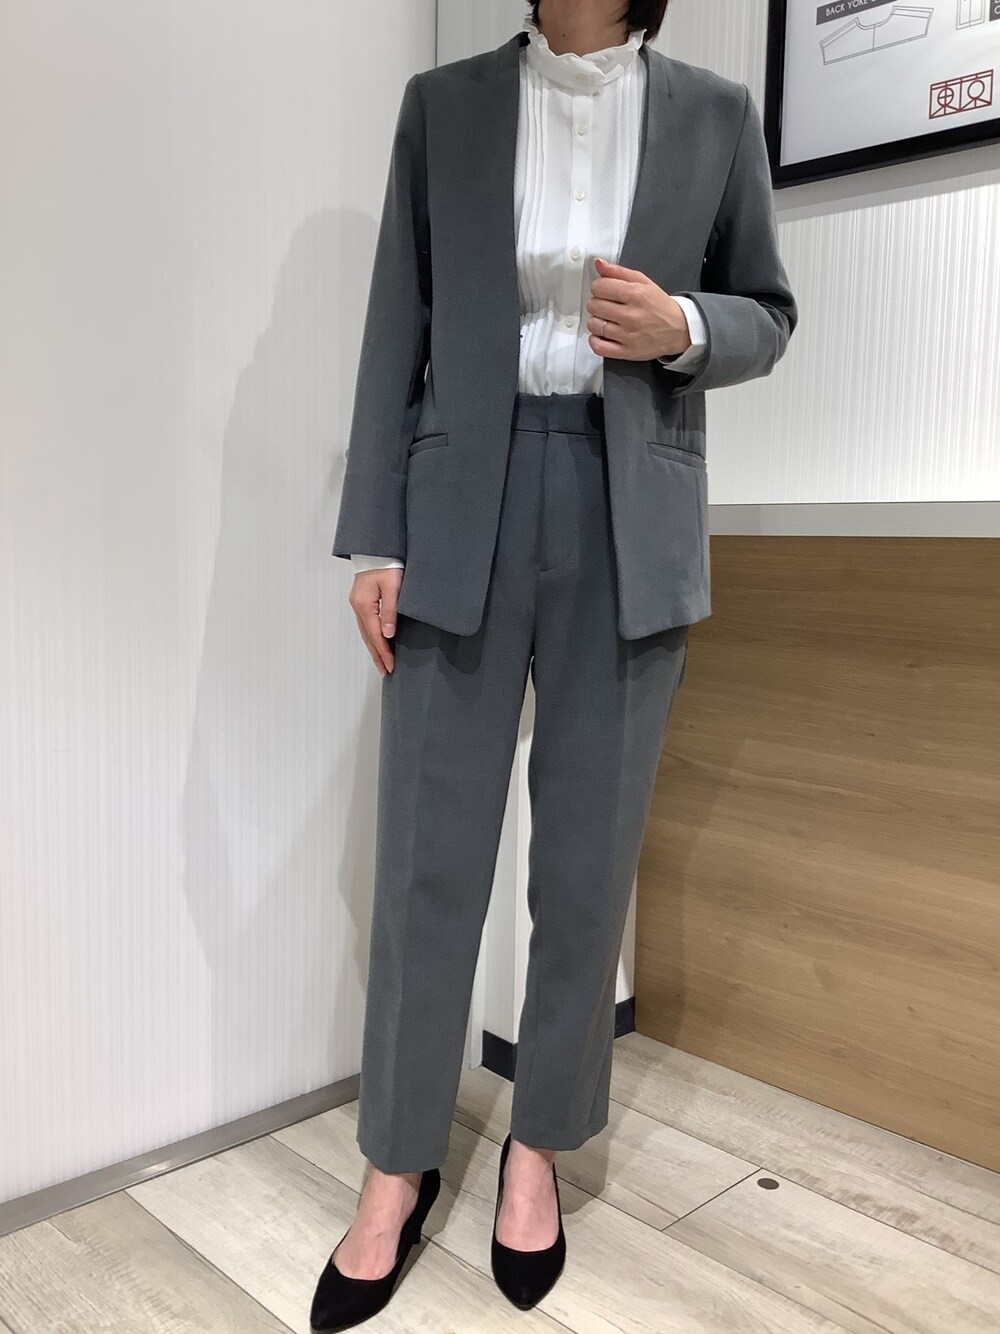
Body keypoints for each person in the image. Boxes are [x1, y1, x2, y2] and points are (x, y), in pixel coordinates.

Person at [311, 1, 798, 1327]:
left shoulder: (713, 115)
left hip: (626, 505)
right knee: (428, 856)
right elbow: (397, 322)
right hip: (458, 499)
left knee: (589, 860)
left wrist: (683, 323)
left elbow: (769, 313)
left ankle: (538, 1147)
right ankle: (397, 1161)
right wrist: (378, 537)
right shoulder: (447, 107)